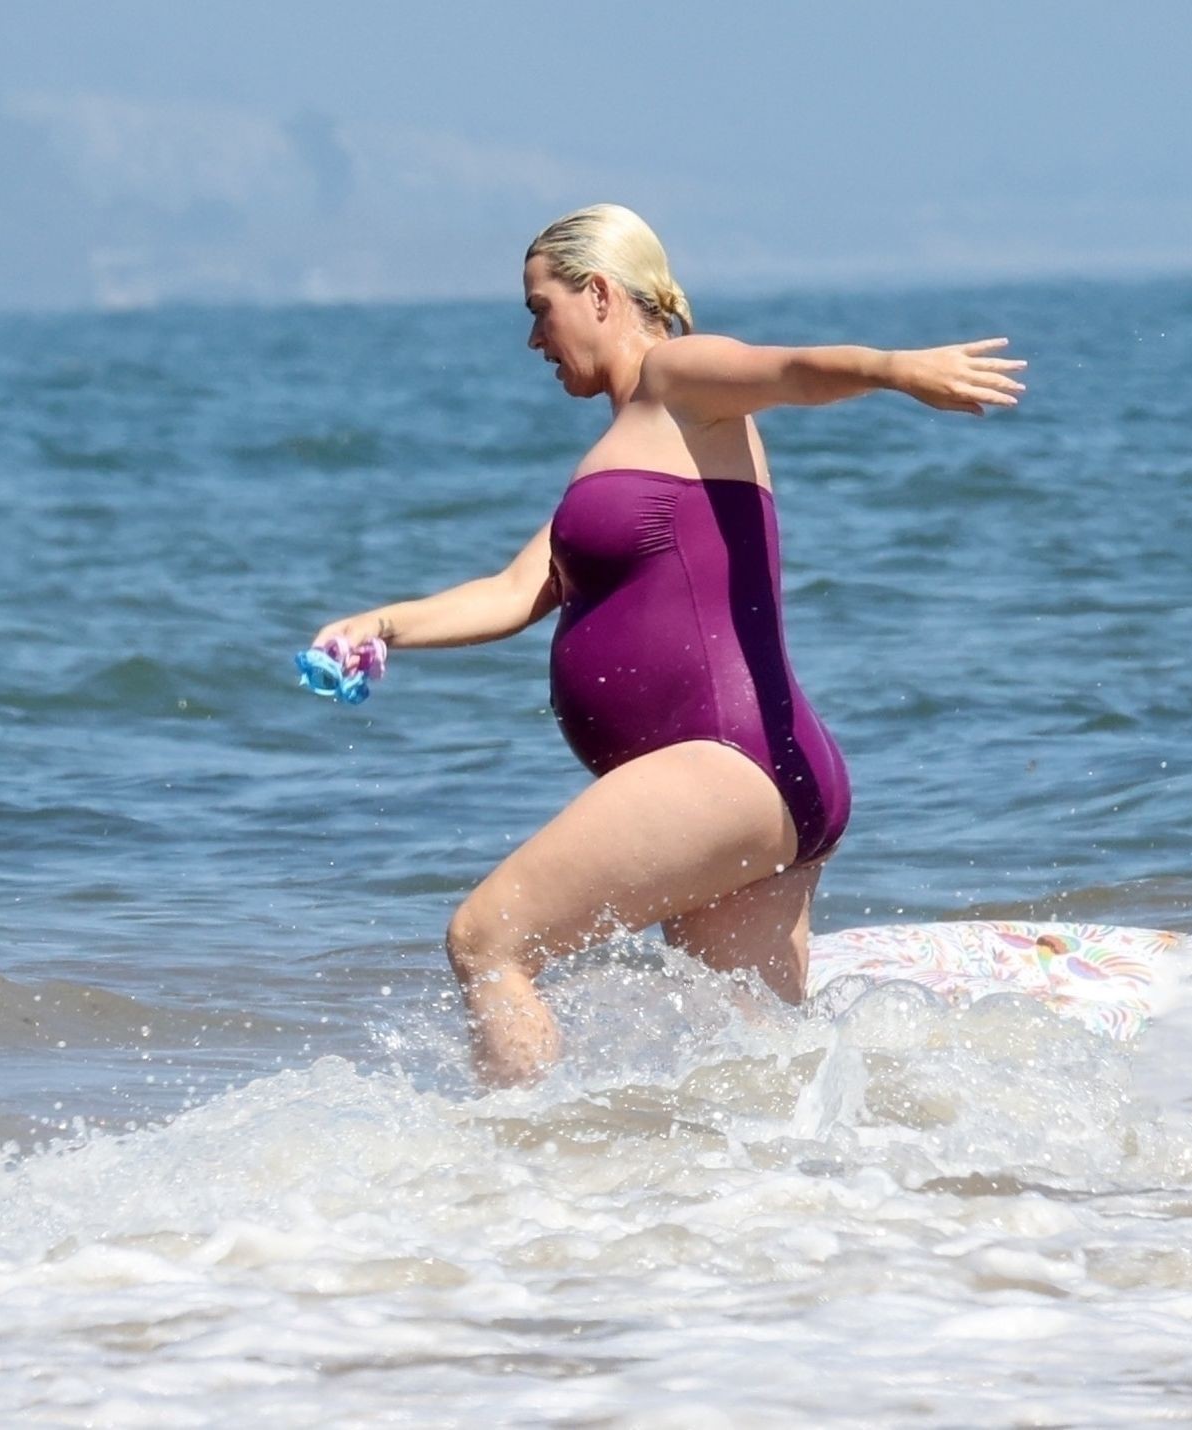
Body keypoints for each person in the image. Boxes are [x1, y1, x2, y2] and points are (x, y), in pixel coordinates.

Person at [312, 204, 1025, 1086]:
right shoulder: (629, 456)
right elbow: (512, 592)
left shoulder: (674, 378)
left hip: (725, 764)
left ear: (599, 293)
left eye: (540, 309)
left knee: (487, 943)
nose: (534, 339)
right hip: (768, 775)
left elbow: (786, 370)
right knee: (751, 1070)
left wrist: (896, 370)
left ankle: (511, 1160)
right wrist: (379, 625)